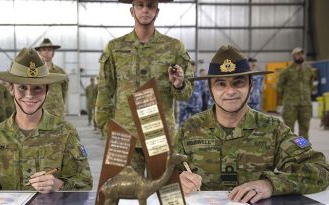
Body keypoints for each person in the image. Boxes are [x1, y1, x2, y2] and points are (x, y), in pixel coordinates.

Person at [178, 45, 329, 204]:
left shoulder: (272, 129)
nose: (230, 91)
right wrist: (176, 182)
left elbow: (321, 170)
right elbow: (159, 175)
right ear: (210, 88)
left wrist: (270, 184)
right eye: (221, 84)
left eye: (238, 82)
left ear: (251, 84)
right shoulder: (189, 129)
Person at [0, 48, 92, 198]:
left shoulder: (66, 132)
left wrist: (58, 184)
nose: (29, 95)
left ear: (47, 91)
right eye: (22, 87)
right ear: (11, 89)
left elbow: (84, 182)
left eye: (37, 88)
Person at [95, 0, 193, 174]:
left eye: (150, 5)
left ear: (157, 11)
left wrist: (179, 85)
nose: (145, 10)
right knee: (125, 195)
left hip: (160, 134)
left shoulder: (174, 47)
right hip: (124, 133)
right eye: (140, 5)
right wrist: (104, 125)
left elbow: (186, 94)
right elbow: (104, 90)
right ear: (132, 11)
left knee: (166, 192)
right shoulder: (115, 47)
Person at [277, 47, 314, 139]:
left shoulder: (308, 70)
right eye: (298, 54)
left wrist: (307, 95)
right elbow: (279, 86)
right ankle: (291, 151)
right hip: (290, 105)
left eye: (301, 54)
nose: (300, 56)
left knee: (304, 130)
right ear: (293, 56)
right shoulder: (286, 71)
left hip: (305, 105)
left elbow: (311, 84)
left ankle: (302, 150)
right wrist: (288, 97)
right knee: (289, 130)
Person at [35, 38, 69, 119]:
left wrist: (59, 105)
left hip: (57, 113)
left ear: (53, 53)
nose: (46, 52)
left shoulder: (60, 72)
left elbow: (64, 91)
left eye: (50, 50)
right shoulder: (34, 73)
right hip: (39, 113)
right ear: (39, 52)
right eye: (44, 50)